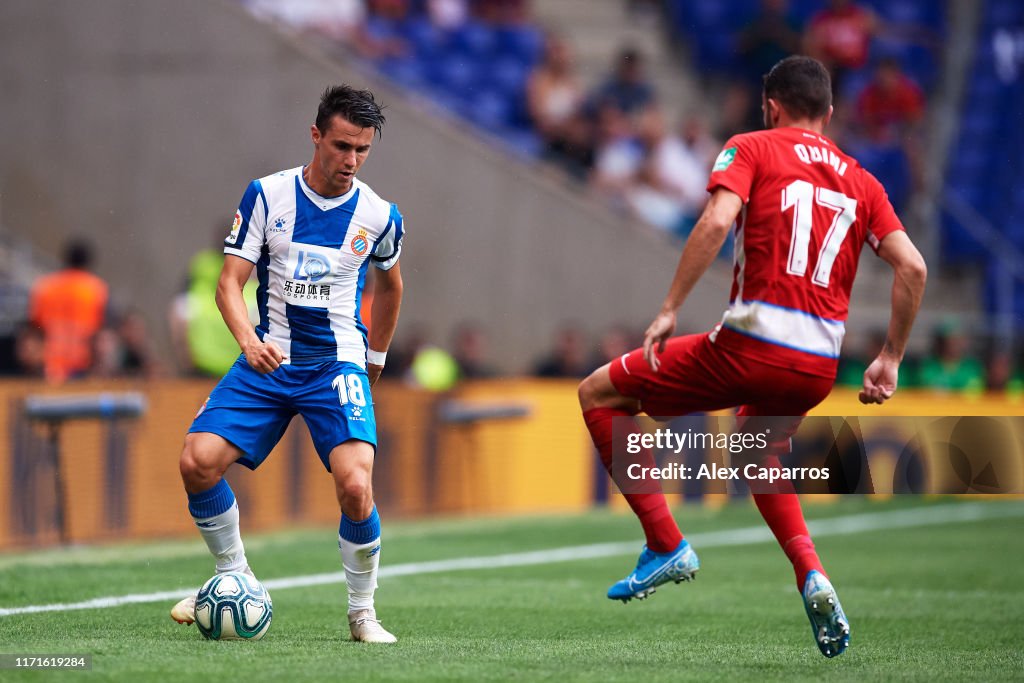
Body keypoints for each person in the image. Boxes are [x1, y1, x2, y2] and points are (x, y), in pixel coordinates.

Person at [576, 56, 927, 658]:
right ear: (830, 113)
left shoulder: (752, 148)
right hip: (819, 364)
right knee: (757, 446)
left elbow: (716, 221)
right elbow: (913, 267)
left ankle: (665, 543)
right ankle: (810, 571)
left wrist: (668, 308)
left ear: (771, 106)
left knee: (598, 395)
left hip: (752, 344)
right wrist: (891, 356)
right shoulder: (863, 181)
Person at [169, 85, 405, 644]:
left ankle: (362, 613)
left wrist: (374, 360)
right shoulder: (267, 196)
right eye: (342, 145)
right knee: (197, 461)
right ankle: (235, 577)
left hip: (336, 364)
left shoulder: (378, 214)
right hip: (269, 357)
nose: (350, 161)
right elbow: (230, 283)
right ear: (316, 134)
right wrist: (249, 341)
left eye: (363, 150)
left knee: (356, 485)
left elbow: (392, 288)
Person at [28, 238, 109, 382]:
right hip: (81, 365)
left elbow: (34, 326)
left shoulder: (45, 286)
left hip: (48, 367)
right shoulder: (96, 289)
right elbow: (100, 332)